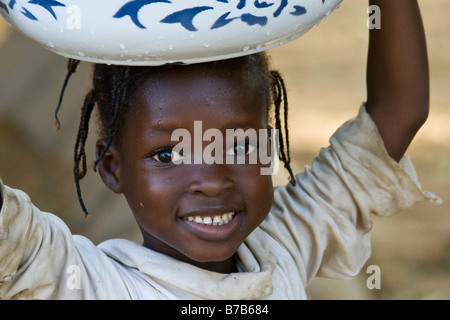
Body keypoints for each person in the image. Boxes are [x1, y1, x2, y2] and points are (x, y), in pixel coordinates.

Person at [0, 0, 439, 299]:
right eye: (168, 154)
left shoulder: (282, 246)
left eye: (242, 145)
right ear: (112, 168)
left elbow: (398, 115)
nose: (213, 180)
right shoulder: (85, 281)